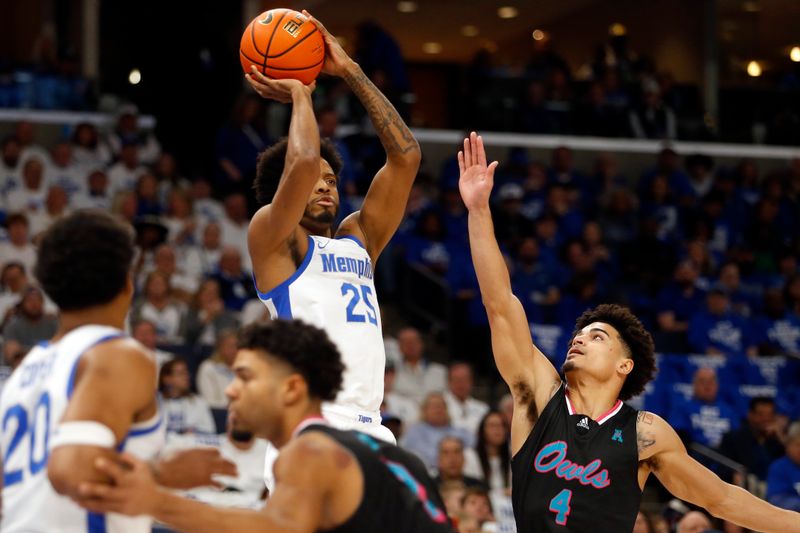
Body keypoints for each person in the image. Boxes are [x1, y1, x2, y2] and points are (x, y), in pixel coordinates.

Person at [457, 131, 800, 532]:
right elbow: (500, 305)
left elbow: (721, 498)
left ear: (624, 365)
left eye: (597, 336)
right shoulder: (539, 396)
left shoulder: (645, 433)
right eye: (579, 334)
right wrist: (479, 210)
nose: (579, 338)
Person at [75, 319, 455, 533]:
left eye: (244, 377)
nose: (230, 390)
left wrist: (155, 500)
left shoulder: (311, 451)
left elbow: (271, 530)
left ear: (291, 388)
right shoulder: (391, 456)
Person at [245, 8, 420, 448]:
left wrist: (350, 71)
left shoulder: (359, 238)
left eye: (332, 179)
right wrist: (302, 93)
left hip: (373, 427)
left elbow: (407, 157)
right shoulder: (271, 235)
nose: (325, 184)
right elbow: (303, 162)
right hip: (312, 422)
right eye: (314, 181)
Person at [0, 210, 234, 532]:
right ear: (128, 282)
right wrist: (161, 473)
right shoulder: (117, 353)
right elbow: (72, 470)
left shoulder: (26, 369)